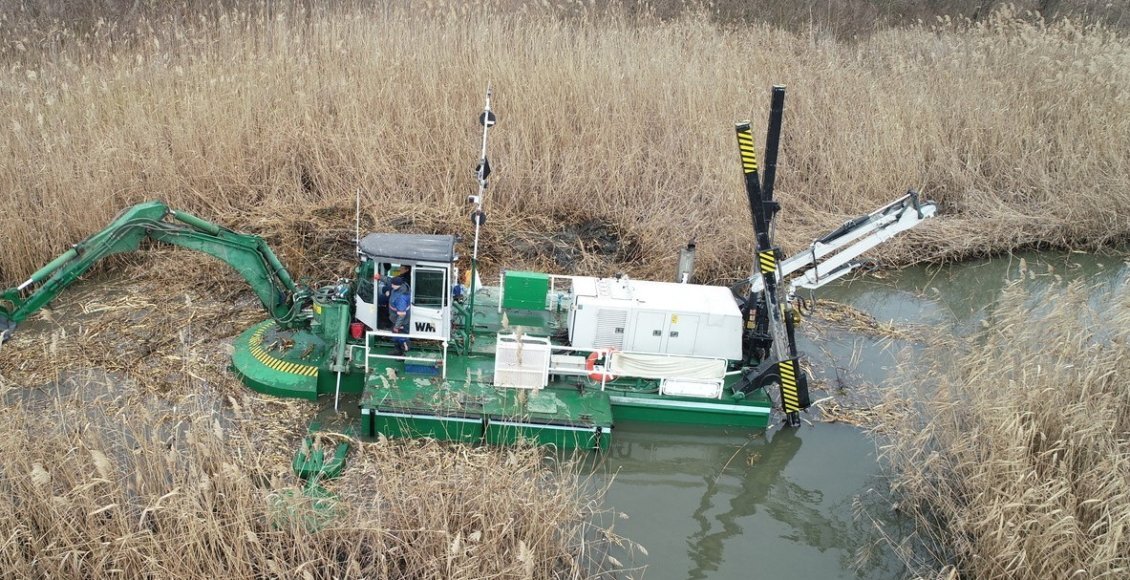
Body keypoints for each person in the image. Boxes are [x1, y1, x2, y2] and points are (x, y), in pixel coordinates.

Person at [387, 276, 411, 354]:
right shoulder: (401, 285)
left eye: (393, 284)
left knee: (402, 338)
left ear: (398, 285)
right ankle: (397, 350)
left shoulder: (401, 298)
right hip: (395, 318)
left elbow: (401, 315)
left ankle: (404, 354)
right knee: (396, 336)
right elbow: (389, 280)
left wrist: (397, 326)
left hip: (401, 322)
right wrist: (380, 277)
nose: (391, 286)